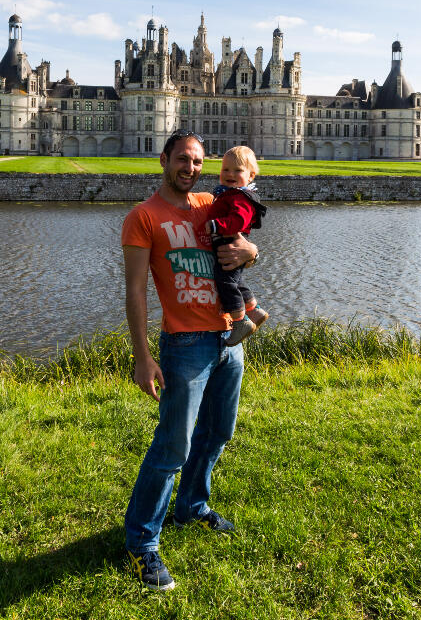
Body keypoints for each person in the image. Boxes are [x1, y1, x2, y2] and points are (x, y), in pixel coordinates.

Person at [121, 130, 258, 592]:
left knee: (219, 432)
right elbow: (135, 290)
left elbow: (241, 248)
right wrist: (143, 356)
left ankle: (191, 507)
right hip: (184, 345)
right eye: (183, 159)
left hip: (227, 338)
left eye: (198, 161)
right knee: (173, 447)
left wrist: (252, 251)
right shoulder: (143, 217)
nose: (191, 168)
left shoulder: (208, 204)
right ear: (163, 160)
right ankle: (142, 543)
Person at [205, 145, 269, 346]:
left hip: (228, 245)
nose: (230, 174)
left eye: (237, 170)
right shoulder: (228, 194)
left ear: (250, 176)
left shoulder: (238, 196)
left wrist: (216, 225)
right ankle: (254, 310)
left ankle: (240, 320)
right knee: (236, 281)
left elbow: (239, 221)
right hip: (230, 246)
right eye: (225, 170)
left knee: (226, 282)